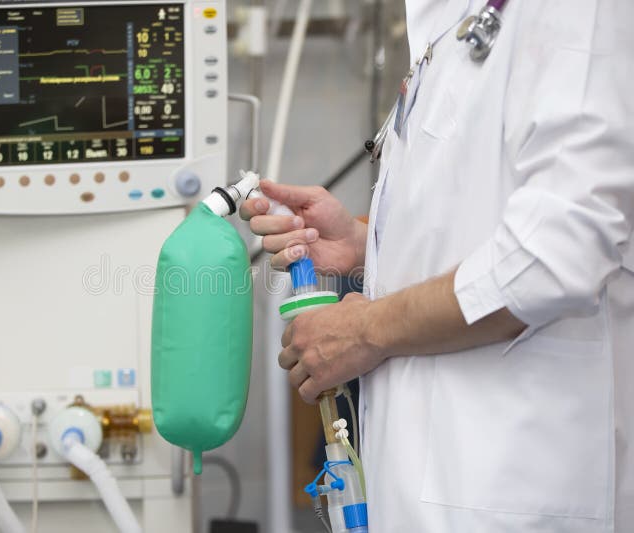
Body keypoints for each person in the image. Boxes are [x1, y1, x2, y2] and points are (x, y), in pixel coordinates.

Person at [240, 0, 634, 531]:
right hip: (432, 484)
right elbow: (481, 213)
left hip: (512, 485)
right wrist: (364, 244)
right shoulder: (452, 18)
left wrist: (364, 331)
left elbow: (554, 255)